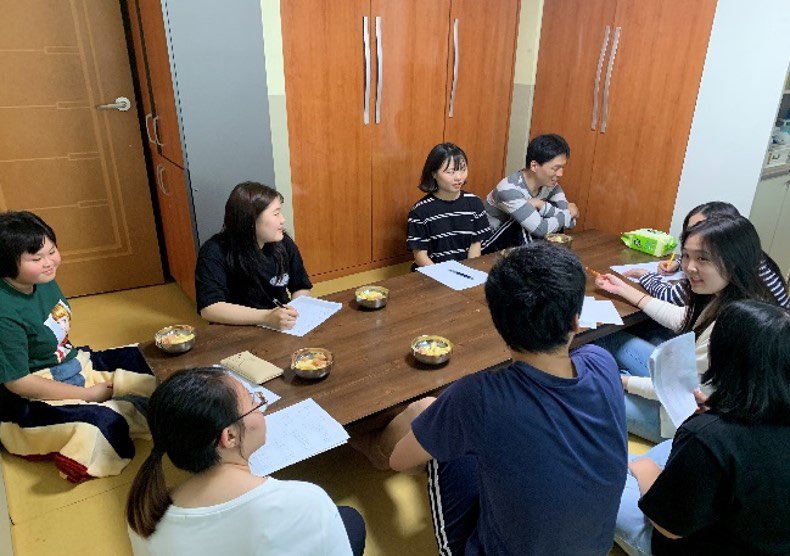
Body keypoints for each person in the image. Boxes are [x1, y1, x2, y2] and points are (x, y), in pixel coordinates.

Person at [389, 243, 627, 554]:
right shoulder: (601, 361)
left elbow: (399, 462)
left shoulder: (477, 396)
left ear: (498, 323)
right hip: (595, 548)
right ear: (575, 322)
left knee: (426, 413)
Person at [127, 368, 366, 556]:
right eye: (253, 402)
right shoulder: (305, 502)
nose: (261, 409)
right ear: (229, 436)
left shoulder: (143, 515)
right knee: (350, 520)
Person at [615, 300, 790, 555]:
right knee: (633, 460)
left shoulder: (708, 436)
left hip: (683, 540)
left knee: (595, 476)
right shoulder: (728, 426)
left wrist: (647, 471)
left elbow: (669, 528)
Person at [595, 215, 781, 443]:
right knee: (605, 340)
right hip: (677, 381)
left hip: (678, 419)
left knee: (588, 394)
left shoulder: (736, 323)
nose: (690, 267)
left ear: (734, 261)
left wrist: (621, 381)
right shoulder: (727, 297)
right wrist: (623, 289)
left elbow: (685, 391)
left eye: (702, 258)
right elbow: (681, 317)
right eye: (686, 256)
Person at [0, 211, 155, 482]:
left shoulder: (41, 280)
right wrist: (87, 395)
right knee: (101, 426)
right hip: (32, 393)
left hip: (73, 363)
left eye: (52, 251)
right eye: (36, 259)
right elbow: (18, 382)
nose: (49, 262)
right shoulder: (5, 313)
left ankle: (130, 406)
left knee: (149, 359)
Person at [623, 201, 789, 308]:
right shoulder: (751, 257)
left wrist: (645, 276)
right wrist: (680, 262)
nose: (694, 235)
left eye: (702, 257)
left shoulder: (742, 306)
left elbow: (671, 297)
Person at [195, 182, 312, 328]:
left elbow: (301, 287)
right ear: (250, 220)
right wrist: (266, 317)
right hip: (237, 326)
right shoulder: (214, 251)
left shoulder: (283, 243)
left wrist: (293, 312)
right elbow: (209, 308)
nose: (283, 220)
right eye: (276, 214)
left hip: (279, 324)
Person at [481, 133, 579, 253]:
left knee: (539, 216)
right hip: (489, 246)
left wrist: (541, 205)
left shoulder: (551, 186)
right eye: (555, 168)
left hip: (517, 246)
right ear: (534, 166)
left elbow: (571, 222)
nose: (560, 174)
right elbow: (541, 229)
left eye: (563, 167)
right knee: (524, 221)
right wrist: (568, 214)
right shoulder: (509, 189)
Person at [406, 143, 491, 267]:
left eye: (463, 169)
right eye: (450, 172)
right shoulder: (420, 211)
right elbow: (420, 256)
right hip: (432, 273)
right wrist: (442, 276)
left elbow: (475, 246)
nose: (459, 177)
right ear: (434, 173)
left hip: (465, 271)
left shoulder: (475, 204)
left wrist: (468, 271)